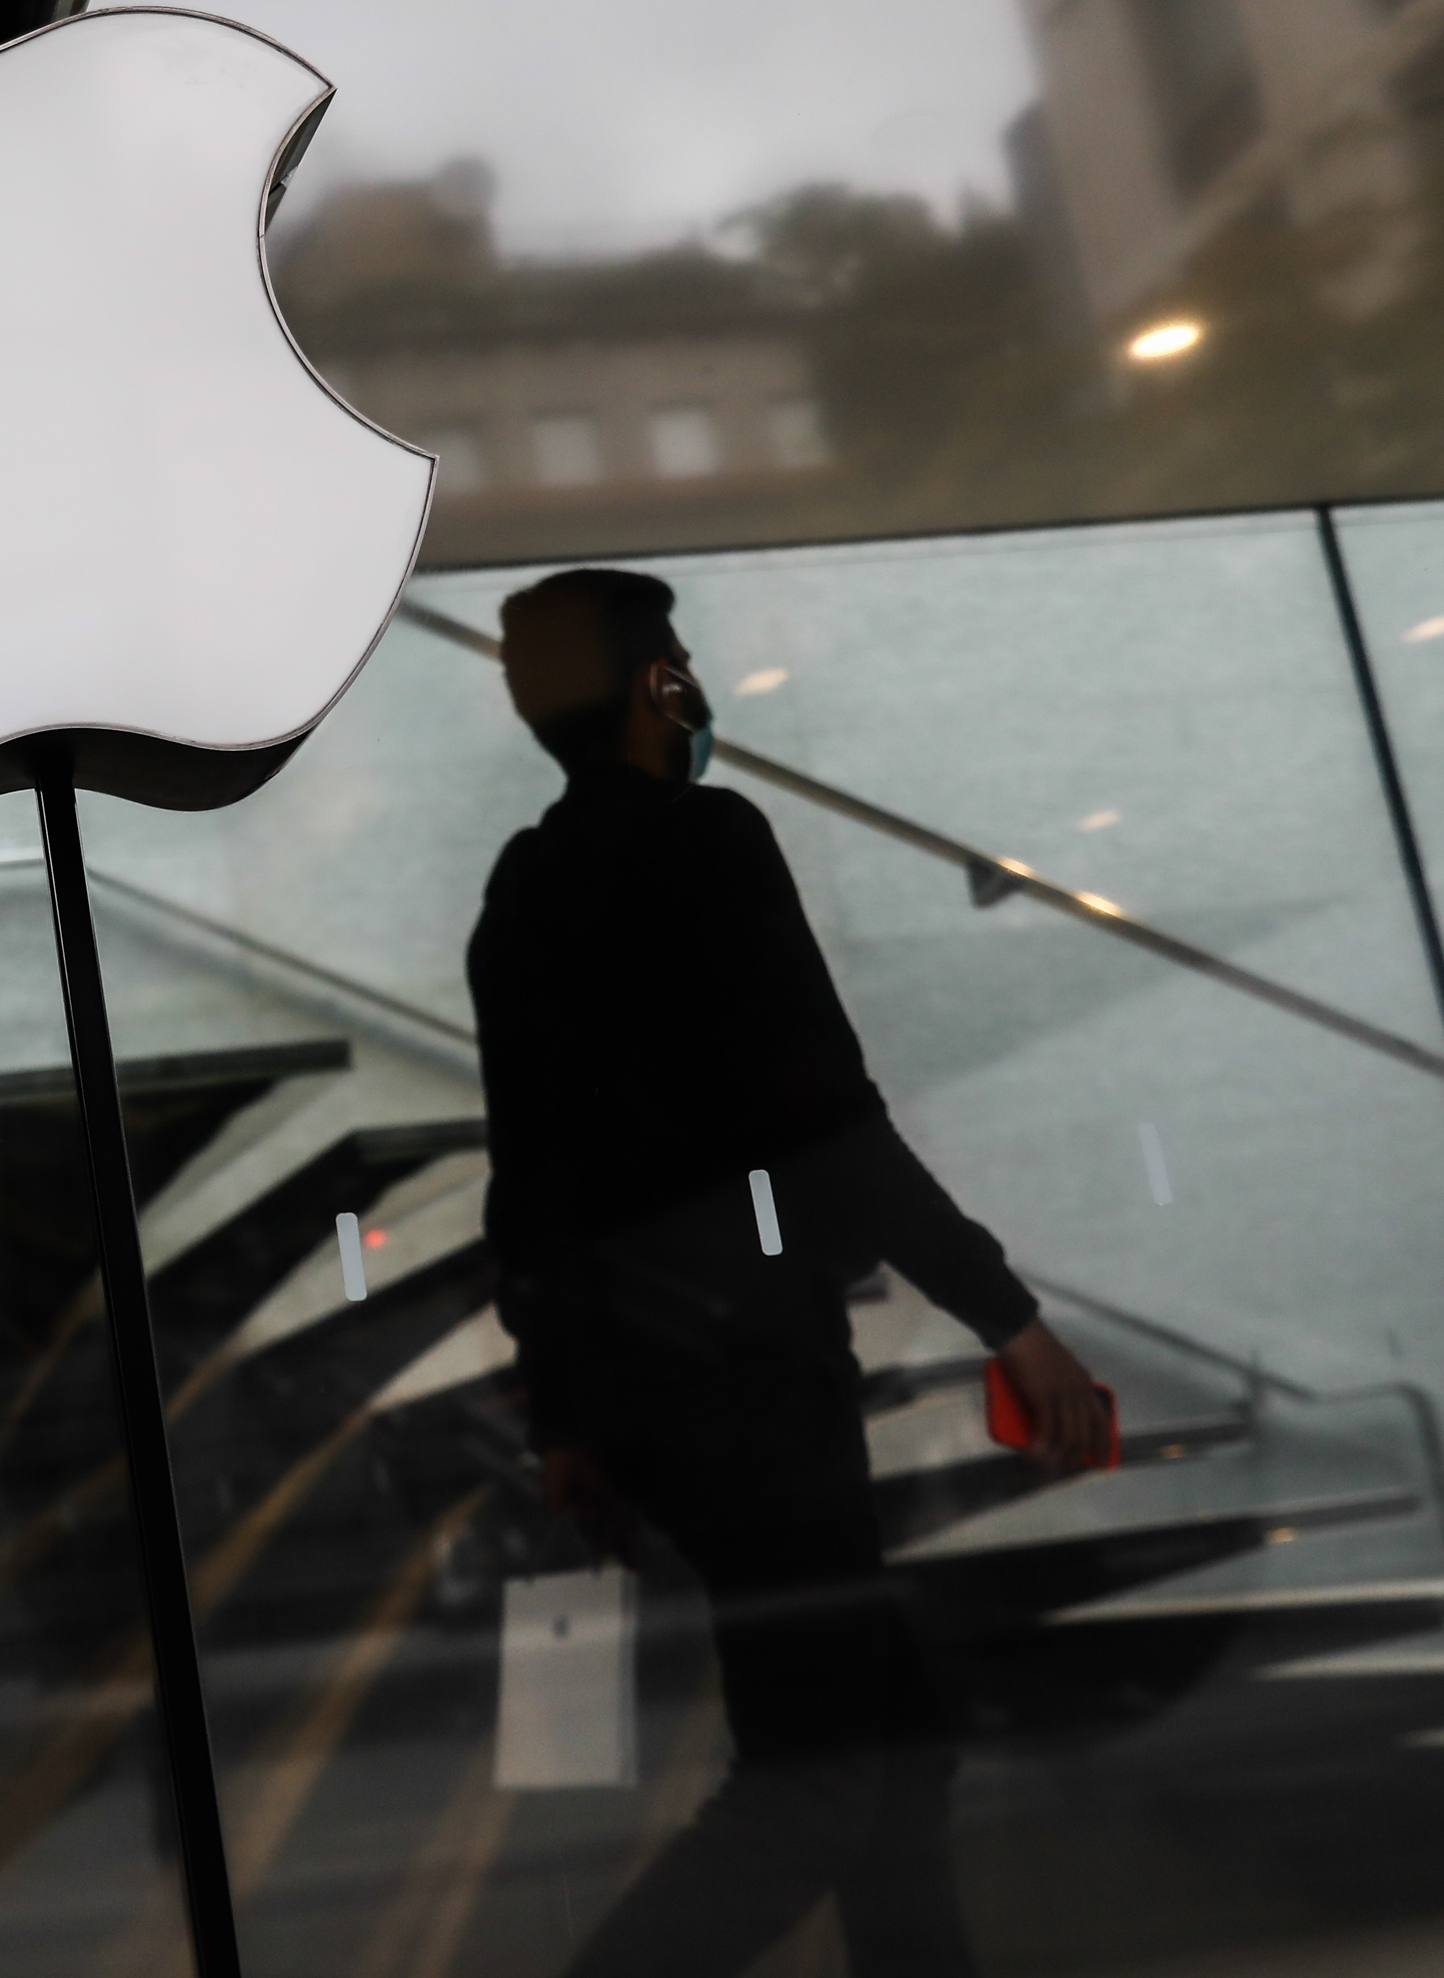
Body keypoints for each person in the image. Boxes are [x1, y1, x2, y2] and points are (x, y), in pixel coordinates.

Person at [467, 567, 1111, 1978]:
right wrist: (1005, 1316)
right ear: (657, 684)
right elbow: (821, 1115)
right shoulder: (706, 838)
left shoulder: (520, 888)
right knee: (813, 1779)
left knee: (891, 1744)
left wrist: (565, 1412)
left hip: (642, 1384)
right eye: (679, 658)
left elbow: (526, 1177)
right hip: (746, 1377)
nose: (691, 680)